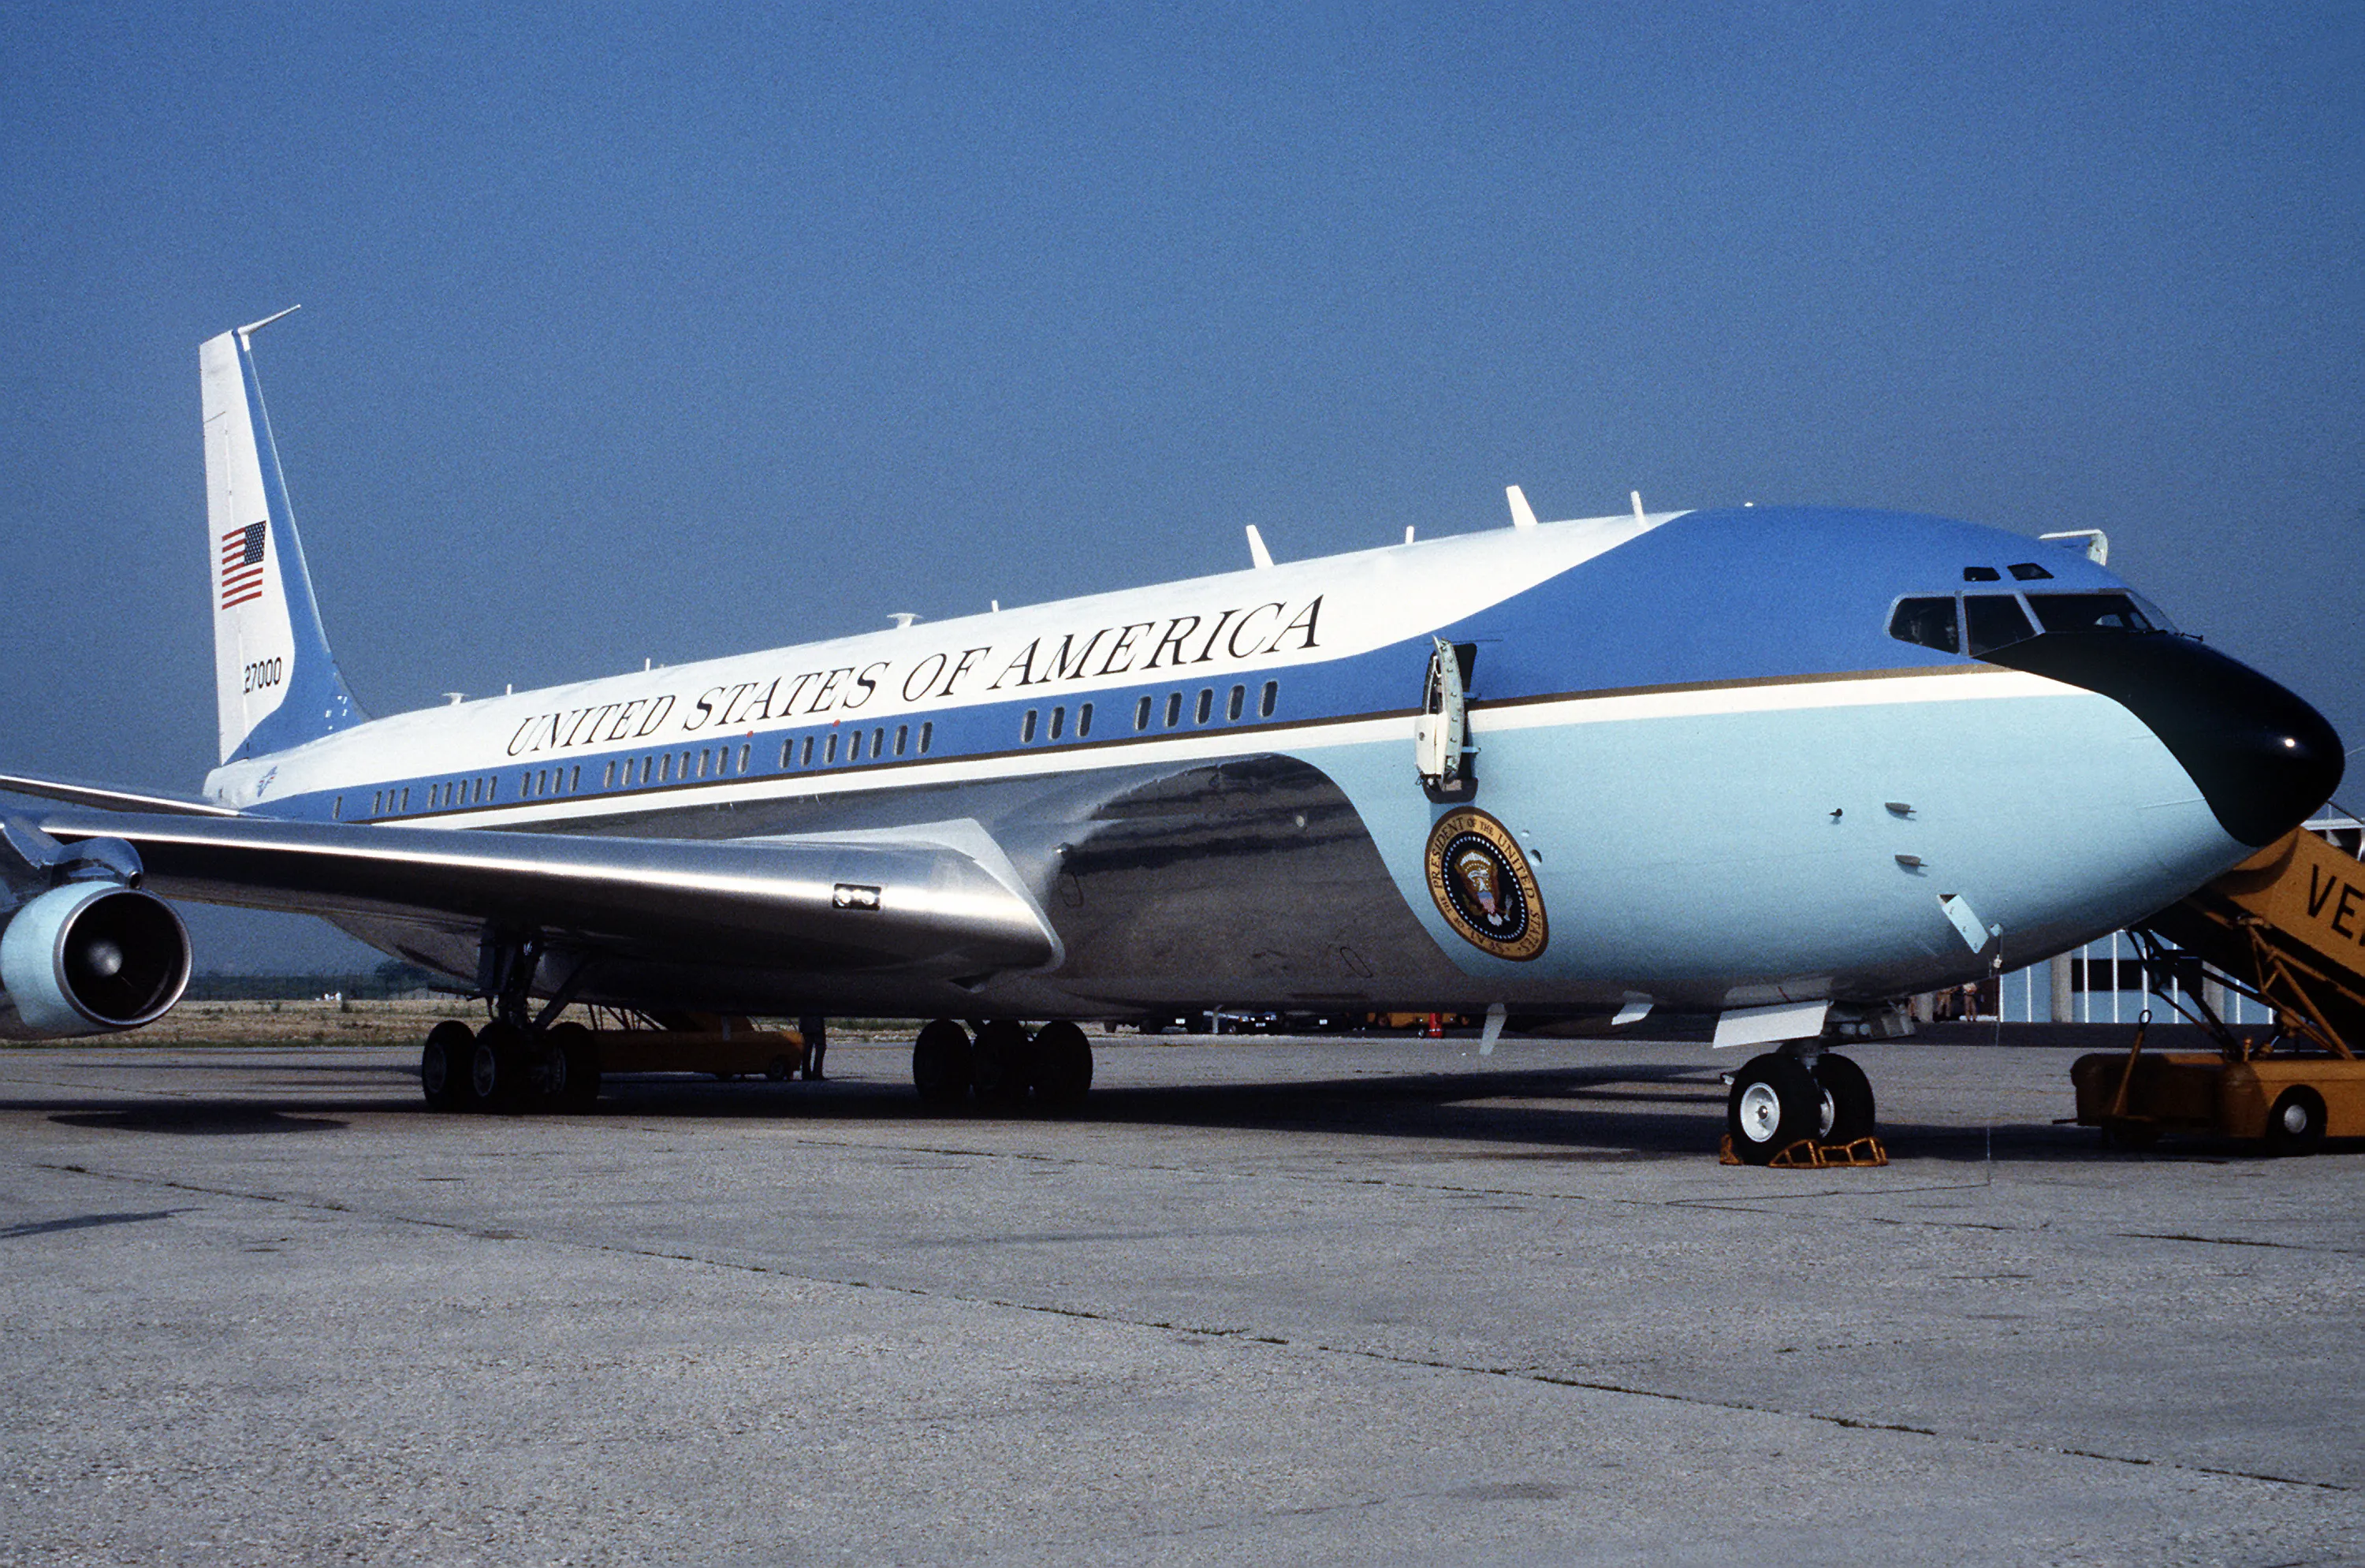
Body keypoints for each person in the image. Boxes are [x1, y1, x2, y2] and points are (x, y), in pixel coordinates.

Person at [801, 1014, 827, 1080]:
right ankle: (817, 1073)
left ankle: (806, 1073)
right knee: (820, 1049)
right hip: (817, 1025)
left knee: (806, 1050)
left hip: (806, 1025)